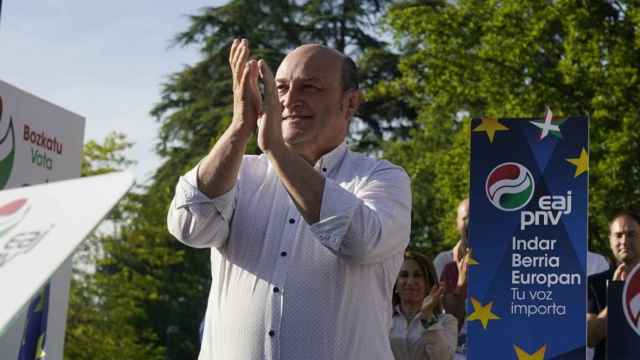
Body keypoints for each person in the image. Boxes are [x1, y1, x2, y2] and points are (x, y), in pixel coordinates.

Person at [166, 39, 412, 359]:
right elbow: (188, 226)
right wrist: (240, 127)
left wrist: (277, 151)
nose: (290, 100)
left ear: (350, 103)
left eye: (310, 87)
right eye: (280, 88)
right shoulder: (240, 173)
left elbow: (360, 241)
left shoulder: (383, 178)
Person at [587, 212, 640, 360]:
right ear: (610, 240)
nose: (624, 241)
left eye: (631, 234)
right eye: (618, 235)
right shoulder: (593, 284)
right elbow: (591, 337)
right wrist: (617, 293)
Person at [390, 250, 458, 360]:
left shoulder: (447, 322)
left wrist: (427, 317)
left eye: (417, 275)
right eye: (404, 275)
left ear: (428, 284)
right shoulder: (383, 320)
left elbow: (444, 358)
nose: (410, 282)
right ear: (396, 284)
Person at [434, 199, 469, 278]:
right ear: (456, 223)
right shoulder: (443, 261)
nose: (469, 223)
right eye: (465, 218)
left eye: (474, 217)